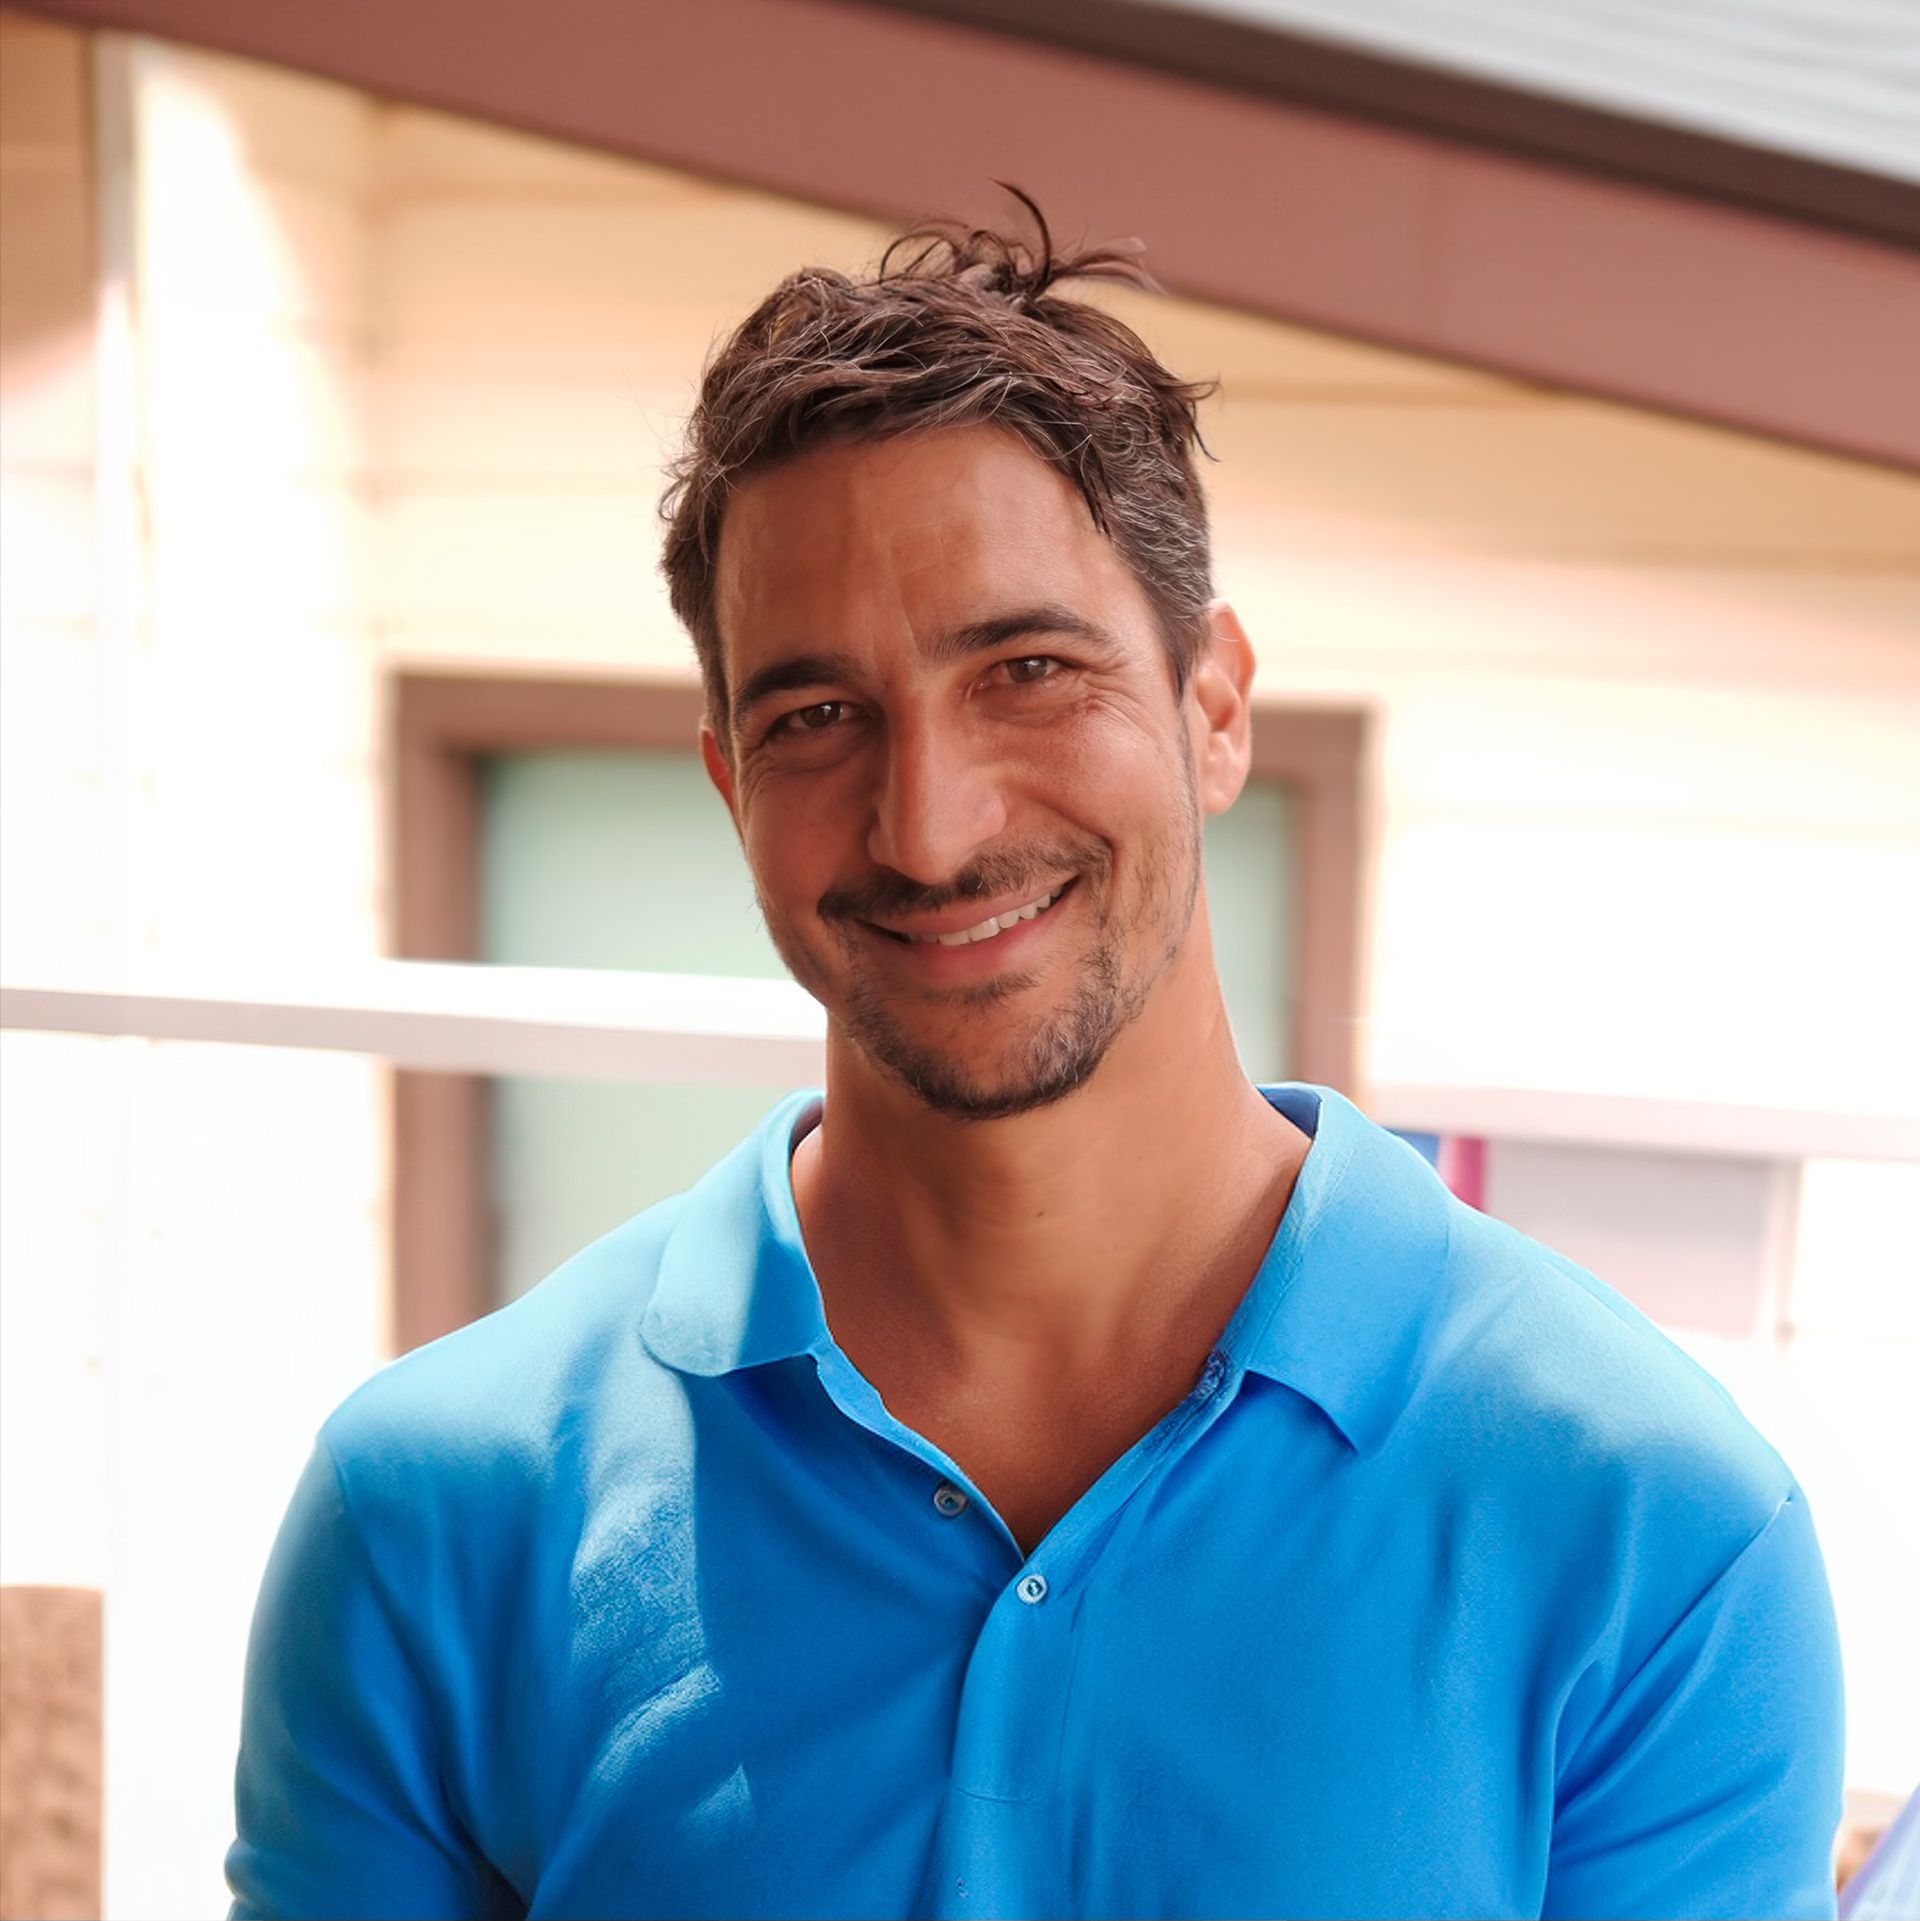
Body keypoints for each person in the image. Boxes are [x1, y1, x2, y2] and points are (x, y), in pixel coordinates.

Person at [226, 202, 1844, 1920]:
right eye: (816, 718)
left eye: (1028, 669)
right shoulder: (431, 1516)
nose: (930, 825)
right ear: (727, 784)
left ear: (1216, 705)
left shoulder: (1653, 1538)